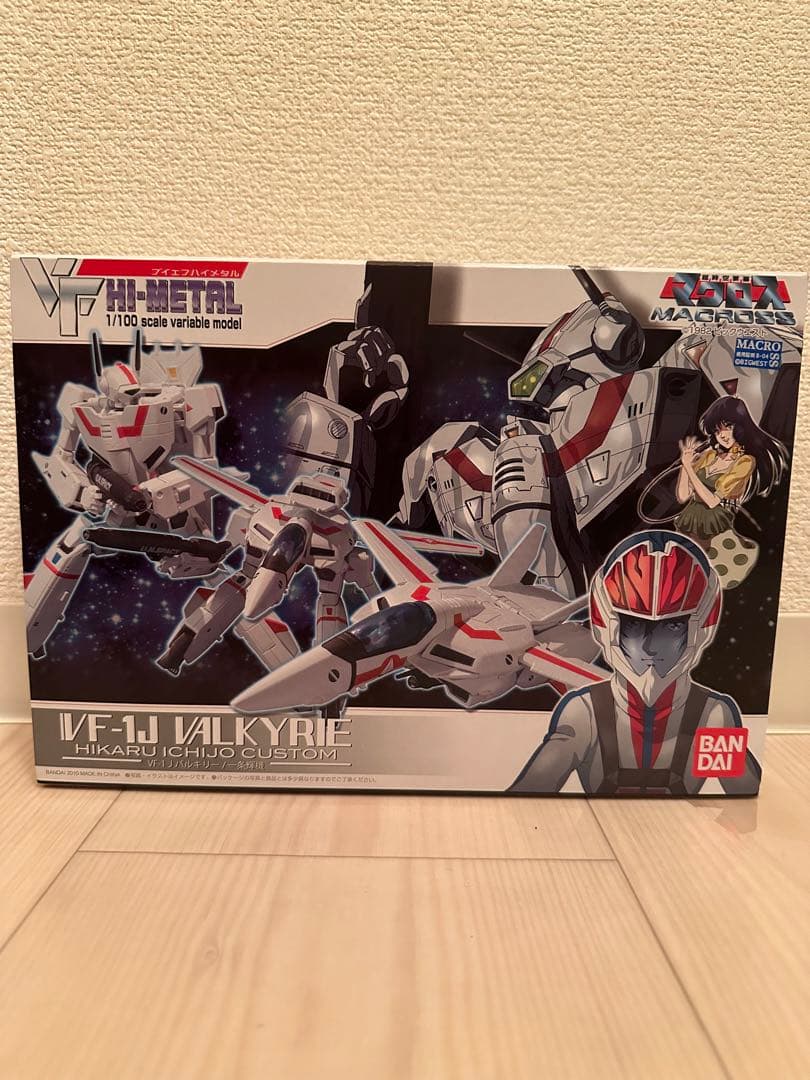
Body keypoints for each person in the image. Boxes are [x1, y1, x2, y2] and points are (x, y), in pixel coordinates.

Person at [509, 531, 761, 795]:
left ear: (702, 626)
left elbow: (743, 799)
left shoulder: (712, 716)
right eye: (635, 625)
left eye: (671, 626)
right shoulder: (585, 713)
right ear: (605, 623)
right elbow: (529, 793)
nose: (650, 646)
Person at [674, 396, 788, 587]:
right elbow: (683, 496)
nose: (723, 435)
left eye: (728, 427)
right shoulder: (709, 455)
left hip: (712, 522)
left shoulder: (745, 462)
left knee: (701, 571)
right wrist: (685, 467)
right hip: (689, 518)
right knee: (683, 566)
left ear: (741, 427)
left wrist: (689, 469)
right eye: (717, 430)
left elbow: (713, 501)